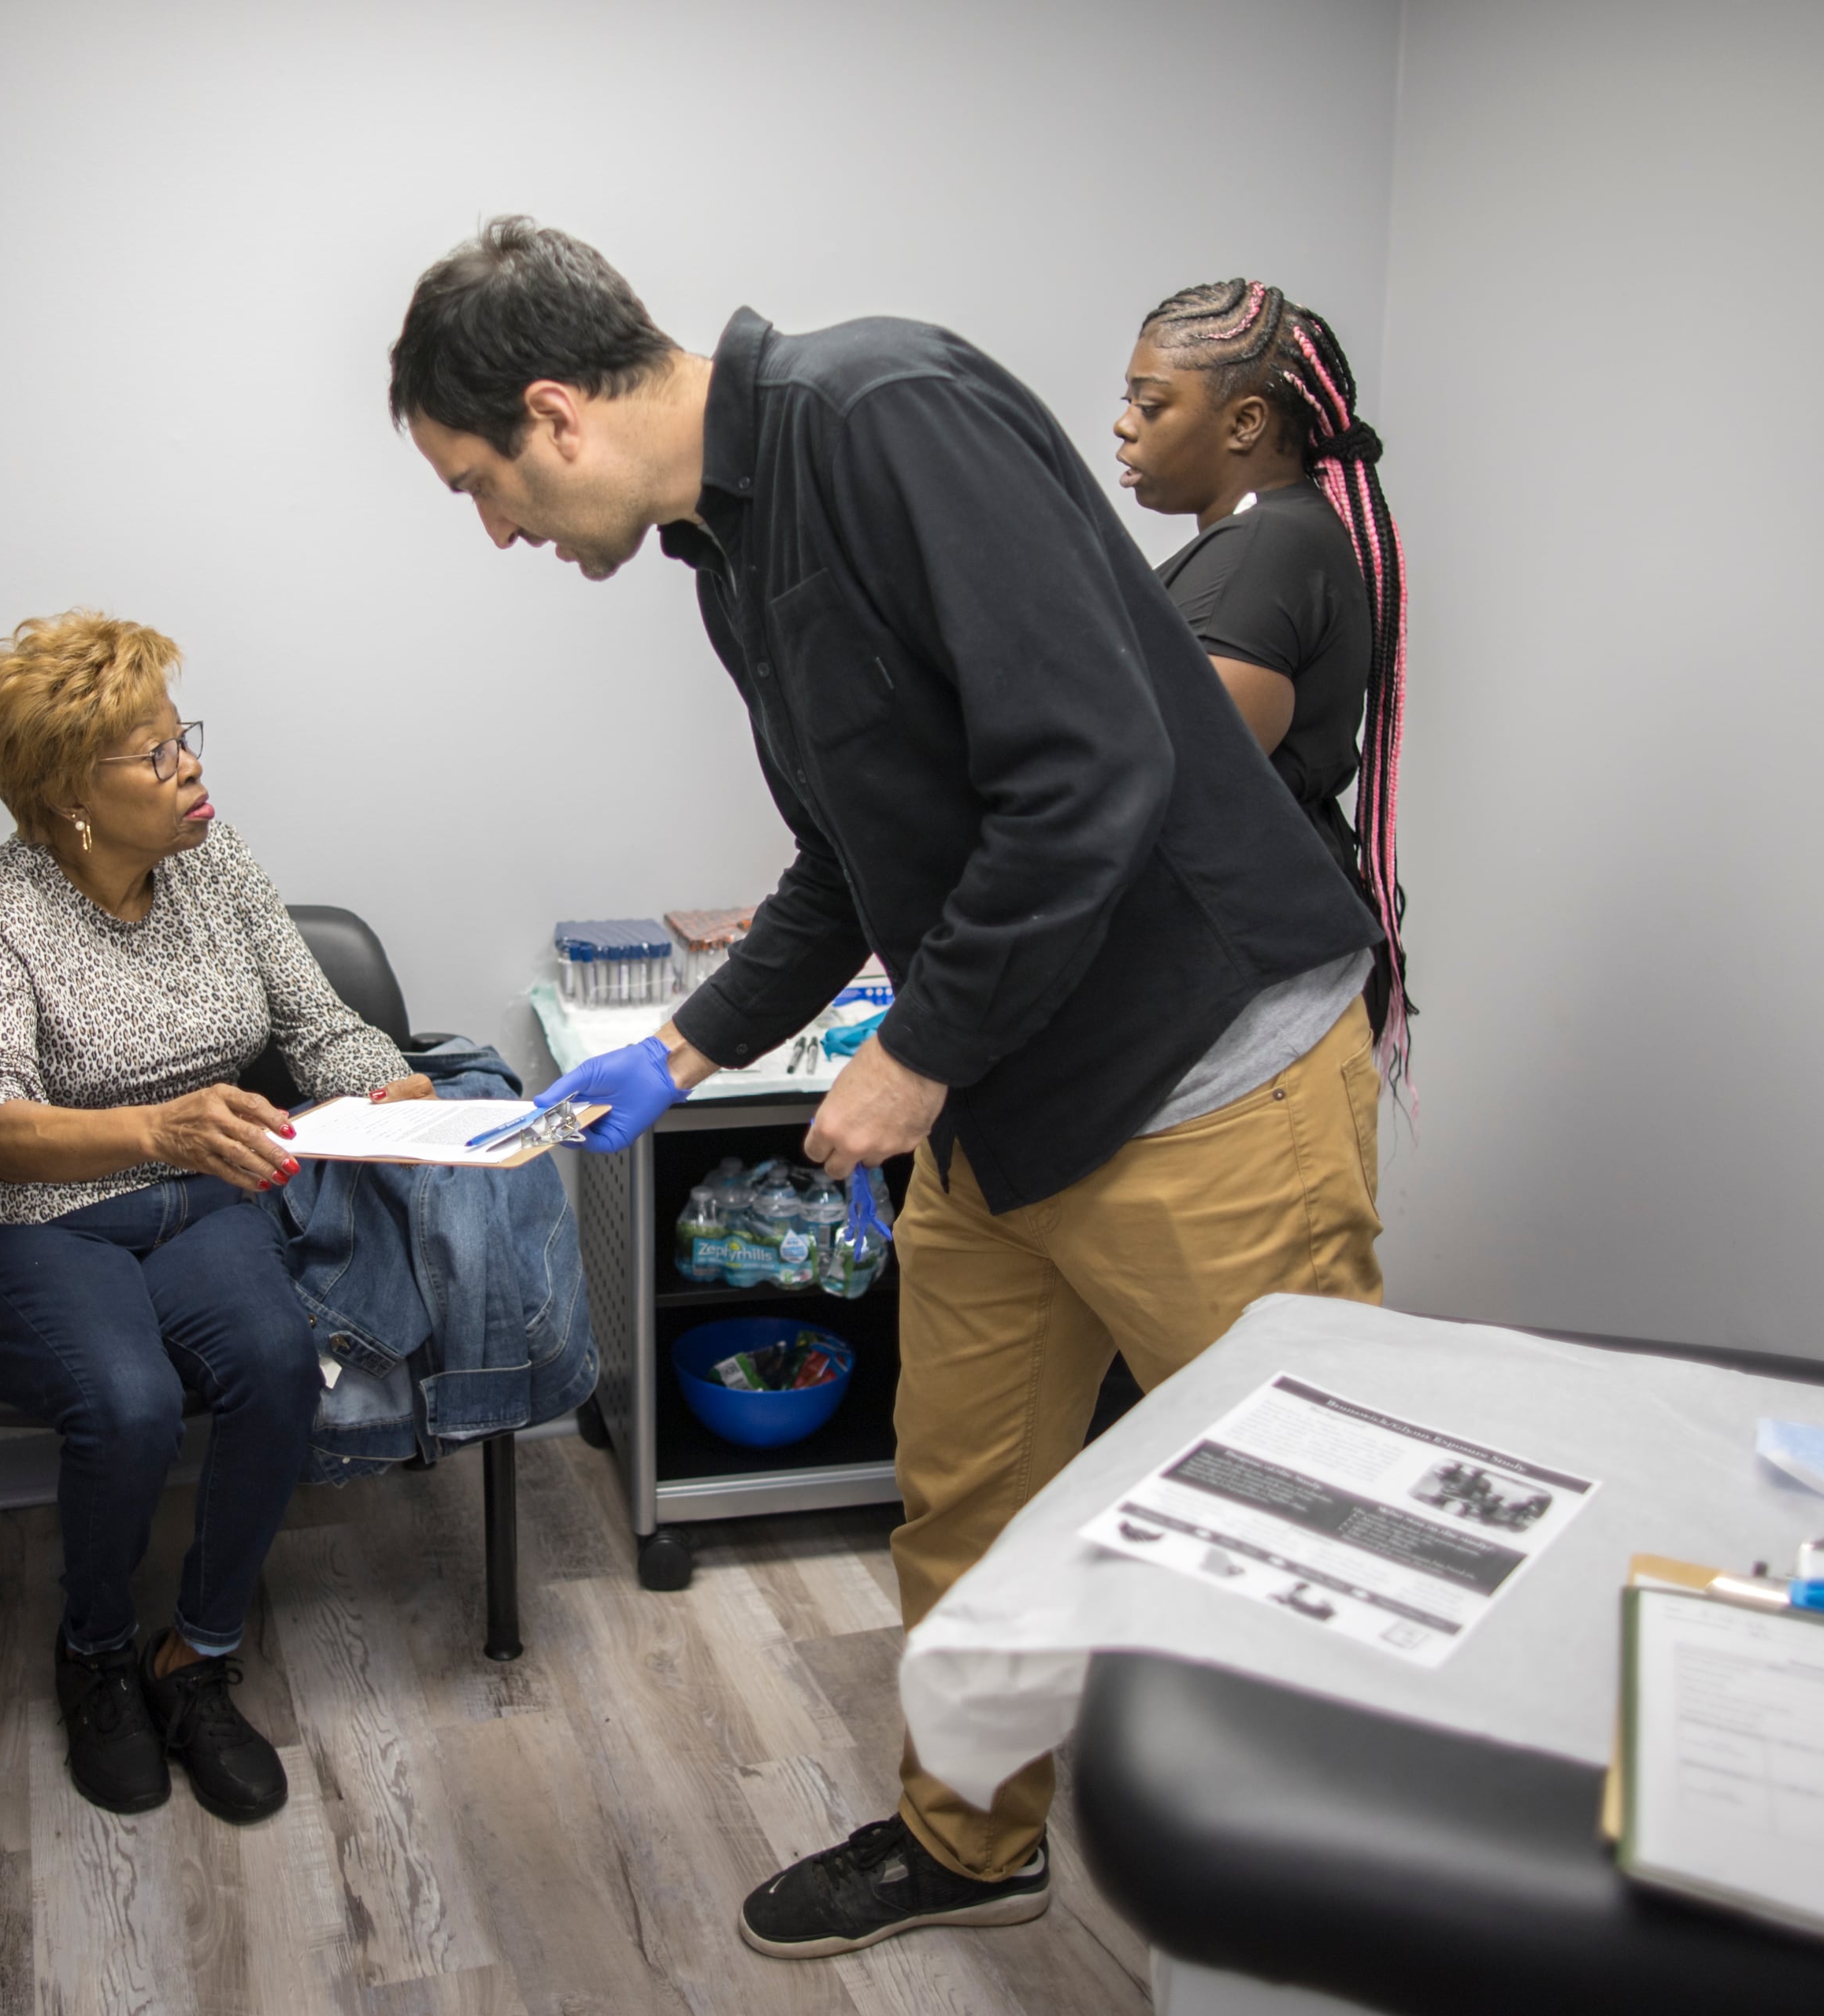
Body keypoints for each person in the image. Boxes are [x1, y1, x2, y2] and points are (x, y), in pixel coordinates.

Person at [388, 220, 1386, 1959]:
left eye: (480, 484)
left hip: (1206, 1078)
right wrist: (685, 1048)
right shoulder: (731, 551)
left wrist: (914, 1057)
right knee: (966, 1487)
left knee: (1294, 1528)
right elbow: (852, 855)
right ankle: (969, 1837)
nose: (495, 530)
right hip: (1017, 1098)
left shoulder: (885, 411)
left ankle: (1349, 1919)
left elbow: (1095, 773)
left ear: (554, 414)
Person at [0, 608, 434, 1825]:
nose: (190, 767)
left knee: (270, 1366)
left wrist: (387, 1082)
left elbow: (317, 1024)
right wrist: (157, 1129)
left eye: (180, 737)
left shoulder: (218, 863)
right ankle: (94, 1652)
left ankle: (193, 1659)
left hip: (203, 1202)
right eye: (152, 754)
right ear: (68, 796)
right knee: (130, 1403)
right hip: (25, 1222)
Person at [1115, 278, 1411, 1062]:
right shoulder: (1276, 537)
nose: (1123, 426)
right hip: (1266, 982)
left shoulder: (1261, 549)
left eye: (1151, 405)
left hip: (1256, 1008)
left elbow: (1164, 780)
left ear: (1246, 422)